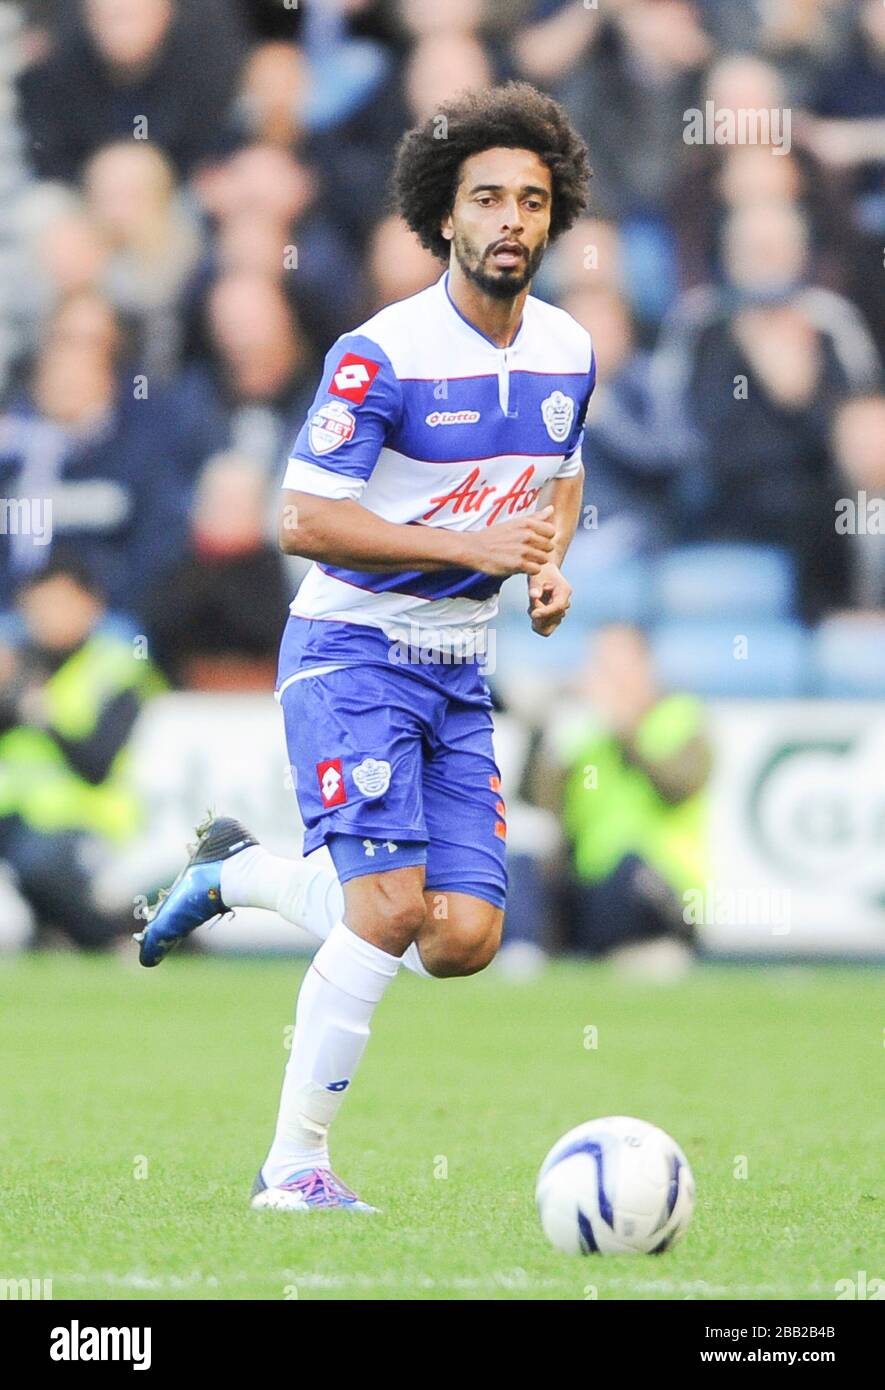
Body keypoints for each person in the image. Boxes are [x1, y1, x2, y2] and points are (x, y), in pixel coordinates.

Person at [136, 81, 595, 1212]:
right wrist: (467, 541)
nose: (510, 221)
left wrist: (543, 563)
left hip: (461, 667)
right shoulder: (378, 352)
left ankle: (237, 872)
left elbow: (562, 479)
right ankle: (293, 1166)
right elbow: (300, 518)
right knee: (387, 909)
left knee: (463, 938)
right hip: (352, 650)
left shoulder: (570, 349)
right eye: (486, 198)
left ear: (553, 217)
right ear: (444, 215)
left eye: (531, 201)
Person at [0, 558, 164, 949]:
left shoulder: (117, 668)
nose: (48, 619)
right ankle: (57, 935)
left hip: (86, 820)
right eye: (38, 609)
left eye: (60, 605)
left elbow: (96, 763)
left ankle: (113, 940)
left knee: (38, 864)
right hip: (14, 814)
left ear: (92, 606)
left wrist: (41, 715)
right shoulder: (18, 665)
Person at [549, 625, 710, 961]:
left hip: (659, 882)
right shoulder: (584, 731)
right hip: (592, 880)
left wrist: (622, 726)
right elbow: (543, 806)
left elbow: (678, 785)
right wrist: (547, 738)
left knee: (629, 873)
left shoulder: (680, 716)